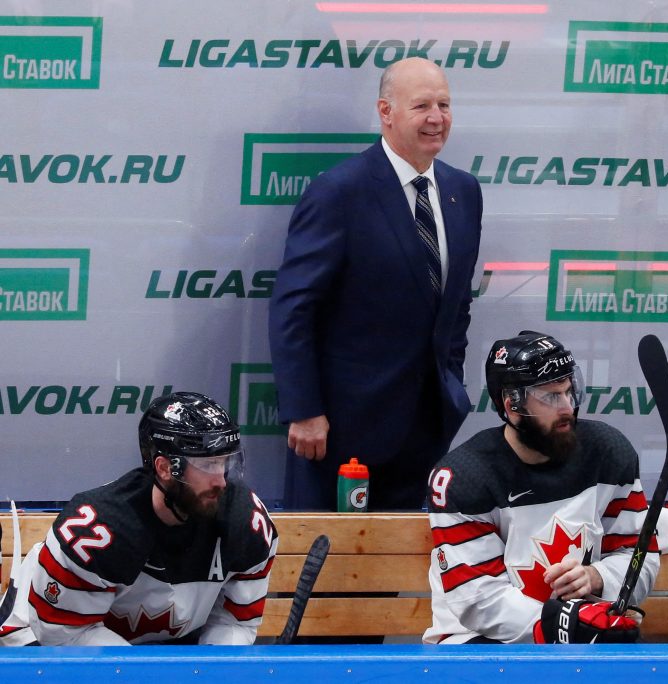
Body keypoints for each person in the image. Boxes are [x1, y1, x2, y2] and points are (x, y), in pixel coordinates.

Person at [268, 56, 483, 511]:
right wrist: (304, 410)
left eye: (444, 105)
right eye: (421, 105)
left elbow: (456, 304)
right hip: (339, 433)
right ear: (385, 112)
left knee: (396, 569)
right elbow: (294, 308)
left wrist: (451, 385)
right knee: (327, 570)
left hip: (426, 432)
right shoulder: (339, 191)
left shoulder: (463, 191)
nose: (436, 118)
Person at [423, 331, 668, 644]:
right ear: (512, 403)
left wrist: (597, 577)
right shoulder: (463, 476)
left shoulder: (608, 452)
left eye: (569, 392)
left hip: (579, 636)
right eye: (550, 397)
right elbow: (478, 600)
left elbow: (638, 556)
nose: (567, 408)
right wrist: (563, 624)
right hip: (476, 639)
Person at [0, 392, 278, 646]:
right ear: (165, 468)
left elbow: (234, 623)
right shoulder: (99, 529)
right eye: (206, 465)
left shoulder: (246, 522)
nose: (221, 481)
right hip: (39, 642)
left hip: (161, 648)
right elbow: (64, 635)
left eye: (224, 463)